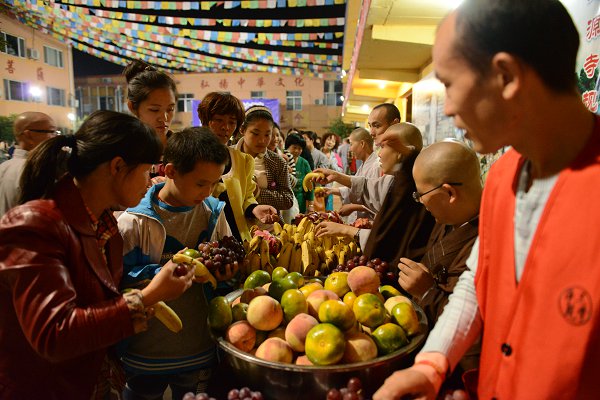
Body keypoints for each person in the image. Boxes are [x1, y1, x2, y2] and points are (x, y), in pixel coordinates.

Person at [373, 1, 600, 399]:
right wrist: (433, 363)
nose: (448, 108)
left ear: (506, 75)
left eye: (450, 83)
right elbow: (477, 286)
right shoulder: (500, 177)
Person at [0, 110, 194, 398]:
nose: (150, 181)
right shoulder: (36, 224)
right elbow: (53, 334)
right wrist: (148, 296)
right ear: (117, 166)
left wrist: (136, 295)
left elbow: (91, 297)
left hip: (91, 379)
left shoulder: (105, 225)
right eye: (145, 171)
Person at [117, 127, 234, 399]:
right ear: (170, 171)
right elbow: (119, 282)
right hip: (144, 351)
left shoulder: (213, 214)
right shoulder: (133, 220)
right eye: (200, 183)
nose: (207, 192)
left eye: (214, 184)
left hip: (198, 347)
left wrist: (227, 274)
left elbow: (222, 276)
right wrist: (160, 274)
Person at [315, 123, 436, 267]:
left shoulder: (413, 191)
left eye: (383, 147)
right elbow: (370, 188)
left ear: (401, 152)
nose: (379, 153)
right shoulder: (394, 181)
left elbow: (390, 240)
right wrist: (336, 176)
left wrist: (346, 230)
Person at [197, 92, 278, 242]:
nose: (225, 127)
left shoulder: (243, 161)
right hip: (202, 239)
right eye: (218, 120)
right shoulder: (194, 156)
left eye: (232, 122)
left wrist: (254, 208)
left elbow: (247, 196)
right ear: (205, 120)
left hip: (237, 238)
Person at [124, 59, 177, 181]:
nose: (164, 118)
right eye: (154, 110)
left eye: (170, 109)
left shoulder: (183, 149)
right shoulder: (124, 152)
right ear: (132, 107)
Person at [236, 105, 294, 213]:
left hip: (268, 227)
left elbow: (288, 200)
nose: (262, 140)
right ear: (242, 130)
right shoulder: (228, 157)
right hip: (233, 226)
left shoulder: (278, 162)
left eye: (267, 135)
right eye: (255, 133)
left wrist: (258, 192)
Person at [0, 111, 56, 216]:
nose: (55, 137)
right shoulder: (36, 170)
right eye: (51, 131)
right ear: (29, 135)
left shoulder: (3, 167)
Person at [328, 127, 380, 225]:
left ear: (362, 144)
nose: (350, 148)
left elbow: (376, 200)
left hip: (368, 223)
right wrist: (330, 191)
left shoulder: (376, 166)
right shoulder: (363, 165)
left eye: (351, 144)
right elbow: (355, 189)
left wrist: (353, 207)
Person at [285, 133, 315, 214]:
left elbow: (310, 185)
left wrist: (311, 206)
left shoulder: (304, 163)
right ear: (287, 147)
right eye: (294, 147)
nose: (297, 151)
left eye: (300, 148)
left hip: (300, 203)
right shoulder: (281, 160)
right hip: (284, 204)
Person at [320, 133, 342, 211]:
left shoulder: (336, 156)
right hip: (316, 185)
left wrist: (331, 163)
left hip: (328, 186)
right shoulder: (318, 153)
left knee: (327, 210)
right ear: (324, 140)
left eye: (333, 141)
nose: (330, 142)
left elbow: (340, 171)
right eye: (329, 139)